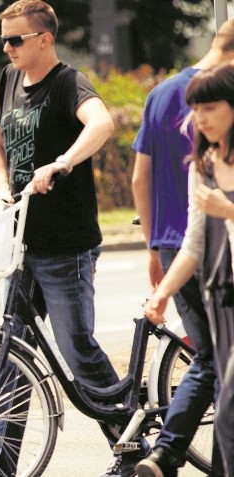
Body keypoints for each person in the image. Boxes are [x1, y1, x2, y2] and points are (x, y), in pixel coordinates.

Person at [0, 2, 147, 477]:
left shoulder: (67, 82)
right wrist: (0, 191)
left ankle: (131, 446)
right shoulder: (8, 80)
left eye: (16, 40)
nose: (7, 48)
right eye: (4, 40)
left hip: (66, 245)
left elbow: (102, 123)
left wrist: (63, 162)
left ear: (44, 40)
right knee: (11, 353)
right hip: (19, 246)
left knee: (77, 349)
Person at [131, 20, 234, 477]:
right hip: (211, 273)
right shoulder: (205, 161)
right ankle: (173, 453)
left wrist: (153, 245)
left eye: (209, 108)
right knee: (220, 380)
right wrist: (160, 293)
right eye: (198, 109)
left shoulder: (160, 93)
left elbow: (140, 177)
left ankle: (169, 452)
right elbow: (197, 233)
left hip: (175, 247)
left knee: (212, 367)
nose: (200, 118)